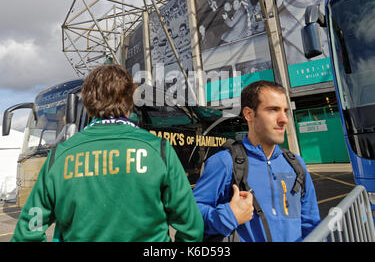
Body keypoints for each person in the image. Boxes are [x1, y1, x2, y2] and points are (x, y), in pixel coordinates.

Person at [11, 64, 203, 242]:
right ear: (130, 102)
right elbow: (192, 227)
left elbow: (26, 234)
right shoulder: (158, 149)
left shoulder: (59, 156)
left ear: (87, 104)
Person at [193, 80, 320, 242]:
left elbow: (312, 224)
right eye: (273, 110)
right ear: (249, 114)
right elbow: (192, 214)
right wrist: (226, 216)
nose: (284, 119)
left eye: (285, 111)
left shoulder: (296, 164)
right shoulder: (224, 162)